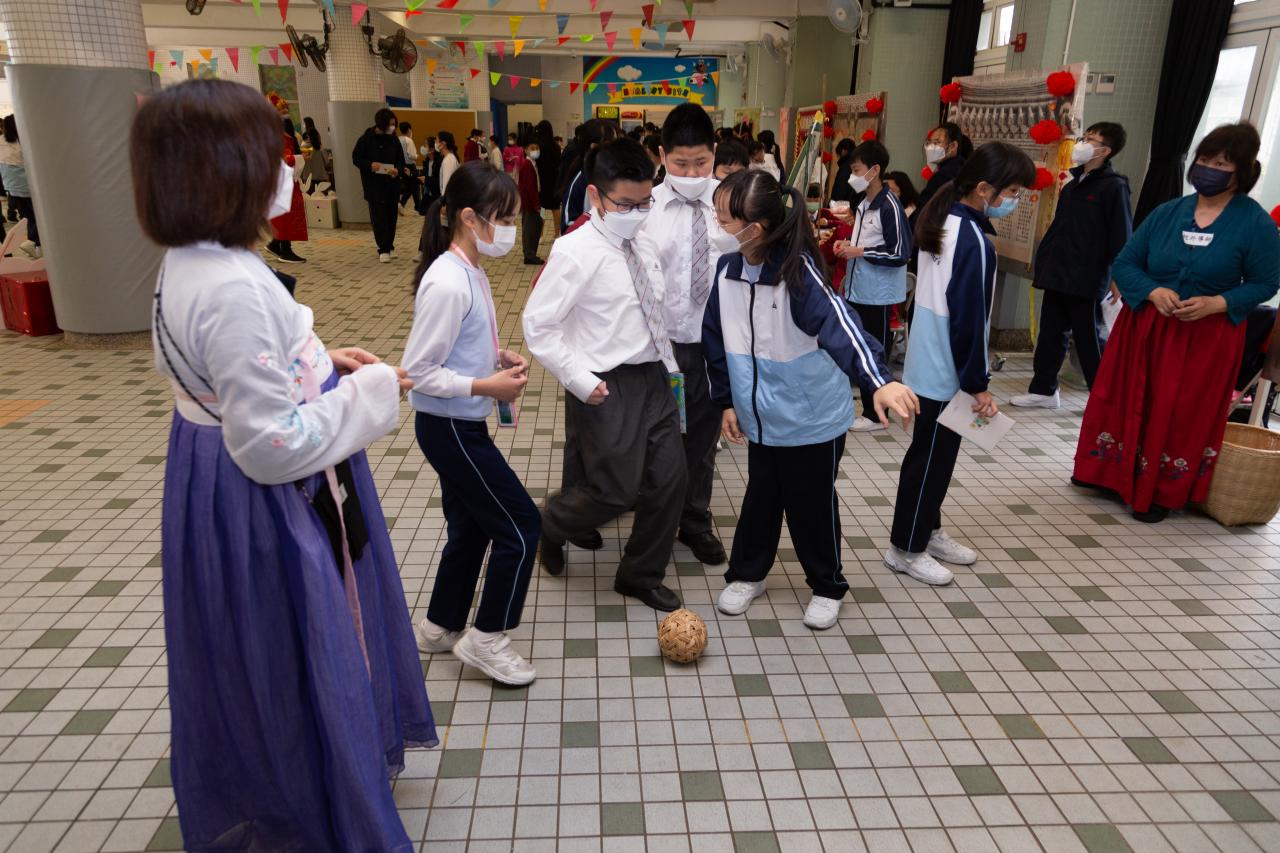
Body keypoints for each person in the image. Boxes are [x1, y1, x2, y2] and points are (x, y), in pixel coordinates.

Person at [134, 78, 435, 852]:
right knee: (303, 652)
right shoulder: (233, 286)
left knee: (254, 655)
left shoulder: (190, 261)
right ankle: (320, 800)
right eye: (272, 156)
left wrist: (319, 363)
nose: (288, 171)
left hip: (214, 478)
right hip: (268, 494)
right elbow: (270, 444)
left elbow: (229, 378)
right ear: (224, 170)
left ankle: (289, 783)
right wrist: (368, 390)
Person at [703, 169, 919, 629]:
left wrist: (879, 380)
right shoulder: (727, 271)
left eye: (723, 218)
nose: (714, 225)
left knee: (811, 505)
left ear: (754, 228)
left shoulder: (797, 274)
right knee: (761, 497)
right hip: (762, 417)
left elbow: (843, 327)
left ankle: (827, 585)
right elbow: (715, 340)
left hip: (811, 419)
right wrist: (726, 402)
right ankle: (747, 574)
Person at [1072, 122, 1280, 522]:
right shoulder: (1168, 212)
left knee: (1182, 411)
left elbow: (1266, 282)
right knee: (1127, 398)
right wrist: (1152, 291)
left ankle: (1162, 490)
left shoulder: (1255, 223)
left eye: (1220, 164)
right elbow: (1126, 263)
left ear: (1241, 172)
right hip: (1146, 328)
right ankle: (1107, 473)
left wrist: (1218, 302)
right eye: (1204, 159)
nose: (1207, 169)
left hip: (1206, 337)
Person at [522, 138, 687, 612]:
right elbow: (538, 324)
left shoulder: (644, 240)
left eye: (645, 202)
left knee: (670, 480)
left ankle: (639, 575)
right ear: (595, 195)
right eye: (626, 205)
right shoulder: (574, 251)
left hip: (654, 375)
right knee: (615, 490)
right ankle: (549, 524)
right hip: (605, 382)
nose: (637, 213)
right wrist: (579, 378)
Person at [404, 161, 540, 685]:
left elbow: (455, 346)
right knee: (522, 526)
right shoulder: (448, 282)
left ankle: (440, 625)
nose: (509, 230)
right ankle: (487, 639)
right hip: (450, 428)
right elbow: (417, 372)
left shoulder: (469, 269)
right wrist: (487, 386)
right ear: (467, 217)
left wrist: (494, 357)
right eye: (502, 220)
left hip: (458, 425)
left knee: (470, 526)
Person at [887, 141, 1035, 585]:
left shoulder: (943, 220)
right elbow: (969, 320)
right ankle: (906, 548)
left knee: (935, 456)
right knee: (930, 461)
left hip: (928, 360)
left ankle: (927, 530)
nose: (1015, 201)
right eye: (1013, 192)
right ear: (985, 189)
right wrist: (977, 383)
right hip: (944, 370)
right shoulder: (971, 239)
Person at [635, 103, 729, 566]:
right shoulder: (644, 208)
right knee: (656, 439)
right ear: (661, 155)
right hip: (659, 347)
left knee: (703, 441)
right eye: (680, 163)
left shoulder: (731, 204)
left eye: (701, 162)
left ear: (714, 152)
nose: (692, 173)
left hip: (714, 347)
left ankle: (694, 520)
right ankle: (654, 519)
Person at [1011, 123, 1133, 408]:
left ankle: (1103, 401)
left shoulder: (1114, 186)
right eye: (1084, 137)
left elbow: (1122, 235)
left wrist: (1120, 276)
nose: (1082, 143)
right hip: (1058, 272)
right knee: (1051, 334)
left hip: (1087, 277)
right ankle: (1043, 390)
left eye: (1090, 139)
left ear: (1105, 150)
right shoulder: (1072, 185)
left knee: (1089, 340)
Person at [831, 140, 912, 432]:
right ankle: (869, 407)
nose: (852, 176)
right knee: (861, 346)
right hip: (859, 288)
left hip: (879, 294)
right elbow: (865, 242)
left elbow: (900, 253)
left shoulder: (890, 206)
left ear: (874, 170)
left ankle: (877, 414)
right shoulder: (864, 203)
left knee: (875, 350)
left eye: (856, 170)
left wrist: (860, 251)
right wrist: (847, 245)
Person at [351, 107, 405, 262]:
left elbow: (401, 161)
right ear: (381, 124)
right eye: (390, 124)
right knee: (379, 218)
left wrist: (397, 170)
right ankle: (383, 248)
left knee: (391, 217)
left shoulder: (394, 140)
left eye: (394, 124)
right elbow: (356, 158)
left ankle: (389, 245)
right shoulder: (366, 139)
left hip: (392, 185)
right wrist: (369, 165)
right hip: (374, 186)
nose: (393, 128)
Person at [560, 118, 622, 231]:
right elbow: (567, 226)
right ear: (593, 147)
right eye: (611, 145)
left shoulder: (616, 176)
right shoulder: (580, 182)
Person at [266, 116, 308, 264]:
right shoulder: (283, 140)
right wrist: (300, 158)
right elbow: (284, 160)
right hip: (285, 183)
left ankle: (276, 244)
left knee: (283, 215)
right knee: (286, 216)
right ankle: (285, 250)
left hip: (281, 183)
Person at [913, 122, 970, 226]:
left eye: (937, 142)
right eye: (929, 143)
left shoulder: (944, 175)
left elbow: (923, 211)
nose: (930, 147)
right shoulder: (962, 168)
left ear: (953, 146)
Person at [0, 116, 38, 251]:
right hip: (27, 185)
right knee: (37, 216)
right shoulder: (23, 141)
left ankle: (33, 243)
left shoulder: (1, 140)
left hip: (11, 186)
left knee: (27, 216)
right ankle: (35, 242)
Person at [517, 139, 545, 265]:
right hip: (530, 203)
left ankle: (530, 253)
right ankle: (529, 255)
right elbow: (530, 187)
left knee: (532, 227)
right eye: (532, 148)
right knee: (530, 229)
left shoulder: (532, 163)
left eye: (537, 148)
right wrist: (536, 204)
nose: (535, 151)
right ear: (526, 150)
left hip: (531, 202)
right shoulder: (527, 165)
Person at [534, 120, 563, 234]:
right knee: (556, 208)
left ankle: (541, 235)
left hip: (542, 181)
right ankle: (557, 234)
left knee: (542, 209)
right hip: (554, 181)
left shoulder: (539, 146)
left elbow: (536, 162)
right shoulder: (556, 146)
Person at [397, 121, 420, 216]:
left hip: (401, 166)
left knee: (409, 187)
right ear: (409, 130)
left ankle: (401, 204)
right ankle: (418, 208)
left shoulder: (397, 139)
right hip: (410, 166)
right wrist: (417, 156)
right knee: (415, 187)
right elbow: (412, 155)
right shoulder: (409, 140)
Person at [830, 138, 859, 205]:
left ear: (843, 151)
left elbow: (840, 189)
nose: (838, 158)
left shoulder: (846, 167)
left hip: (841, 206)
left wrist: (832, 205)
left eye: (838, 155)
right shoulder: (856, 164)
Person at [437, 130, 460, 196]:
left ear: (443, 143)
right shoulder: (449, 158)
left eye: (437, 141)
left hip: (450, 198)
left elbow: (446, 184)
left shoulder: (448, 160)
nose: (436, 143)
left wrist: (443, 201)